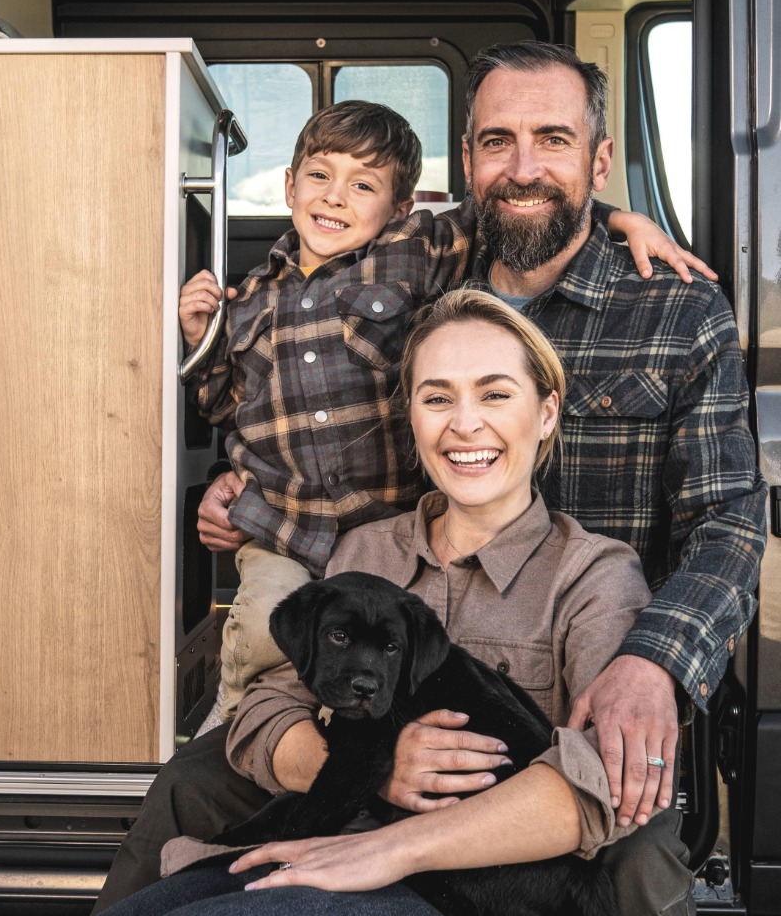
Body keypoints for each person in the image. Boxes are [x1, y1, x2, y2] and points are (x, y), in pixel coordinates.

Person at [104, 41, 766, 916]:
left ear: (600, 161)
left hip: (576, 686)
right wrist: (247, 487)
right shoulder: (416, 266)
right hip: (392, 661)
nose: (523, 168)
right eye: (498, 141)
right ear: (466, 161)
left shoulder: (674, 311)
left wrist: (652, 663)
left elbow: (727, 523)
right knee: (190, 781)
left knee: (613, 845)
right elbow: (300, 398)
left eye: (554, 141)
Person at [98, 289, 660, 915]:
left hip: (463, 885)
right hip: (330, 846)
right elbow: (267, 709)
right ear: (411, 415)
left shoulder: (594, 577)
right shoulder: (366, 552)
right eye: (437, 397)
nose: (464, 423)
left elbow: (606, 783)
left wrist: (398, 845)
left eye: (496, 394)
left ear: (547, 412)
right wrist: (375, 770)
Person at [179, 99, 707, 731]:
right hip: (284, 528)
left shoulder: (411, 253)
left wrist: (622, 219)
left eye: (364, 185)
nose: (336, 198)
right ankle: (228, 745)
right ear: (290, 185)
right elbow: (221, 406)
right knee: (268, 639)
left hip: (386, 536)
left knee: (384, 664)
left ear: (399, 208)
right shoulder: (248, 300)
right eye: (320, 177)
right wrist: (197, 337)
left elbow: (515, 207)